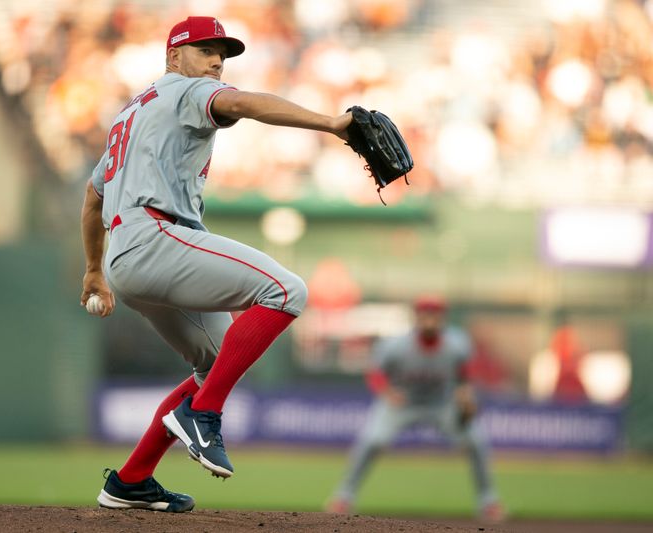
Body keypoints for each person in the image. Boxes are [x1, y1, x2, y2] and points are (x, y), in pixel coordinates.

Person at [79, 16, 353, 512]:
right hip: (155, 236)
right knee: (286, 291)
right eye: (204, 49)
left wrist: (95, 268)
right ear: (172, 57)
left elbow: (93, 197)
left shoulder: (130, 113)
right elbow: (243, 103)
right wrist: (331, 124)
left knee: (219, 361)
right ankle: (202, 415)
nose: (215, 62)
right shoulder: (185, 91)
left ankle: (131, 480)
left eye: (221, 54)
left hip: (127, 256)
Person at [325, 296, 505, 522]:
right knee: (372, 441)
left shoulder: (458, 343)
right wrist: (388, 392)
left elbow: (465, 374)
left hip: (443, 404)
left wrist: (466, 393)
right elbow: (375, 372)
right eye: (424, 314)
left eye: (434, 314)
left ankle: (489, 502)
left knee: (476, 442)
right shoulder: (396, 345)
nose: (429, 319)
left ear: (443, 318)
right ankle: (343, 497)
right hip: (403, 403)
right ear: (416, 317)